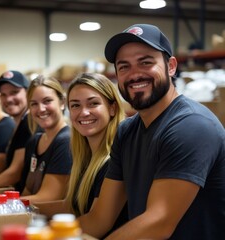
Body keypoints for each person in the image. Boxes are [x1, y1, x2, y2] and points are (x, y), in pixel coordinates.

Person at [82, 23, 225, 239]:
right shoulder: (127, 131)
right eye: (124, 67)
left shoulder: (191, 126)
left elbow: (158, 223)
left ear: (171, 66)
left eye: (146, 62)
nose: (134, 75)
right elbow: (100, 218)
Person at [35, 73, 128, 238]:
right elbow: (72, 206)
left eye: (93, 104)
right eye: (76, 105)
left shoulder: (113, 160)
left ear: (112, 108)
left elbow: (97, 223)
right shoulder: (85, 158)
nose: (84, 113)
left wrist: (45, 233)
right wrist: (23, 207)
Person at [20, 75, 72, 202]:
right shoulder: (34, 141)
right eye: (34, 104)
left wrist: (6, 204)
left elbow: (49, 197)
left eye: (47, 101)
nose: (41, 109)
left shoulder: (66, 141)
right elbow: (27, 190)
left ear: (62, 103)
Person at [0, 70, 32, 192]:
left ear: (28, 93)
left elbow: (15, 172)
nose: (9, 99)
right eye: (3, 95)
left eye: (14, 92)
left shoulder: (28, 122)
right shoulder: (19, 123)